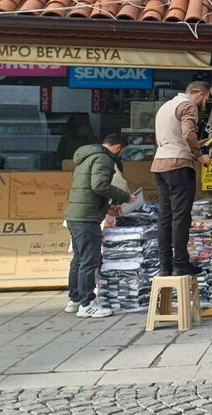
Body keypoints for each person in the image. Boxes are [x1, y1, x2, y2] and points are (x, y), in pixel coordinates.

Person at [64, 133, 132, 318]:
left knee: (79, 259)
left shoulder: (86, 157)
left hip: (75, 214)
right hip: (87, 217)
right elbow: (99, 185)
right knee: (89, 260)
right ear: (118, 148)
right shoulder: (103, 159)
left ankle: (75, 299)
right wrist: (125, 197)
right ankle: (87, 304)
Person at [151, 82, 211, 276]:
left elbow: (174, 136)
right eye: (207, 97)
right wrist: (199, 154)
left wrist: (193, 145)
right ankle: (181, 263)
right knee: (181, 216)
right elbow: (187, 133)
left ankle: (165, 266)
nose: (206, 102)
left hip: (160, 163)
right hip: (178, 165)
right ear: (200, 94)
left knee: (165, 216)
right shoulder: (188, 105)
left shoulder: (165, 106)